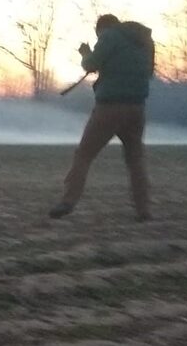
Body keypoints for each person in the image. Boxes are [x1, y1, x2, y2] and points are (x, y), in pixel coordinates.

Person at [49, 14, 155, 221]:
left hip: (109, 108)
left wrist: (86, 52)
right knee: (135, 161)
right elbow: (148, 72)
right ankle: (144, 210)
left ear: (102, 29)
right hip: (137, 108)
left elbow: (90, 64)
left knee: (84, 155)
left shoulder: (110, 36)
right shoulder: (144, 41)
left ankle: (68, 201)